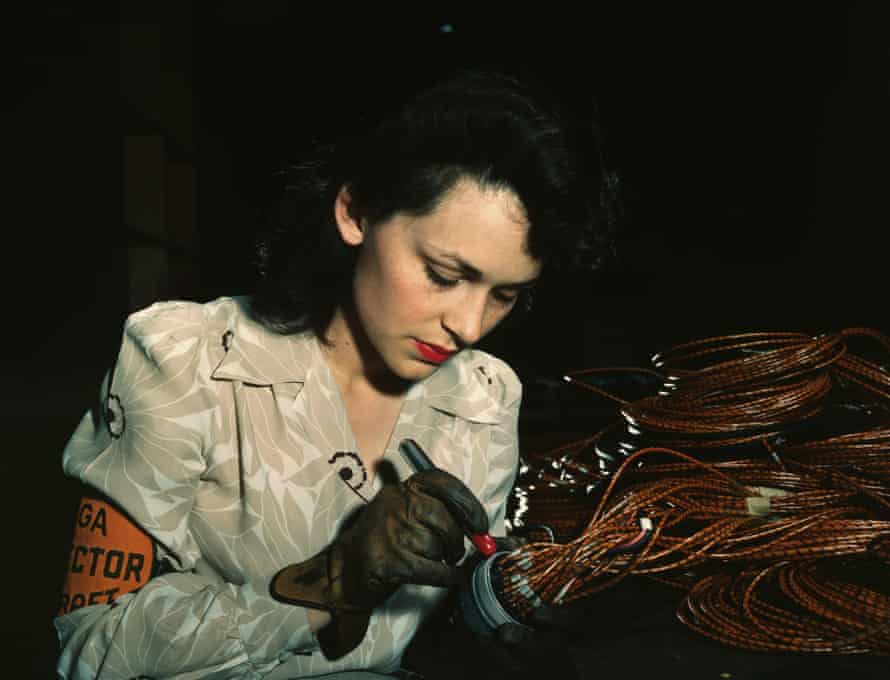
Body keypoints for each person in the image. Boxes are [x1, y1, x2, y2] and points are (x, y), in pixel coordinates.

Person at [54, 69, 608, 679]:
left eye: (505, 294)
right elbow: (90, 647)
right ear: (355, 213)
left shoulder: (486, 396)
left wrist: (509, 600)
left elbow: (451, 629)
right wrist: (333, 583)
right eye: (444, 275)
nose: (470, 326)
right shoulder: (190, 359)